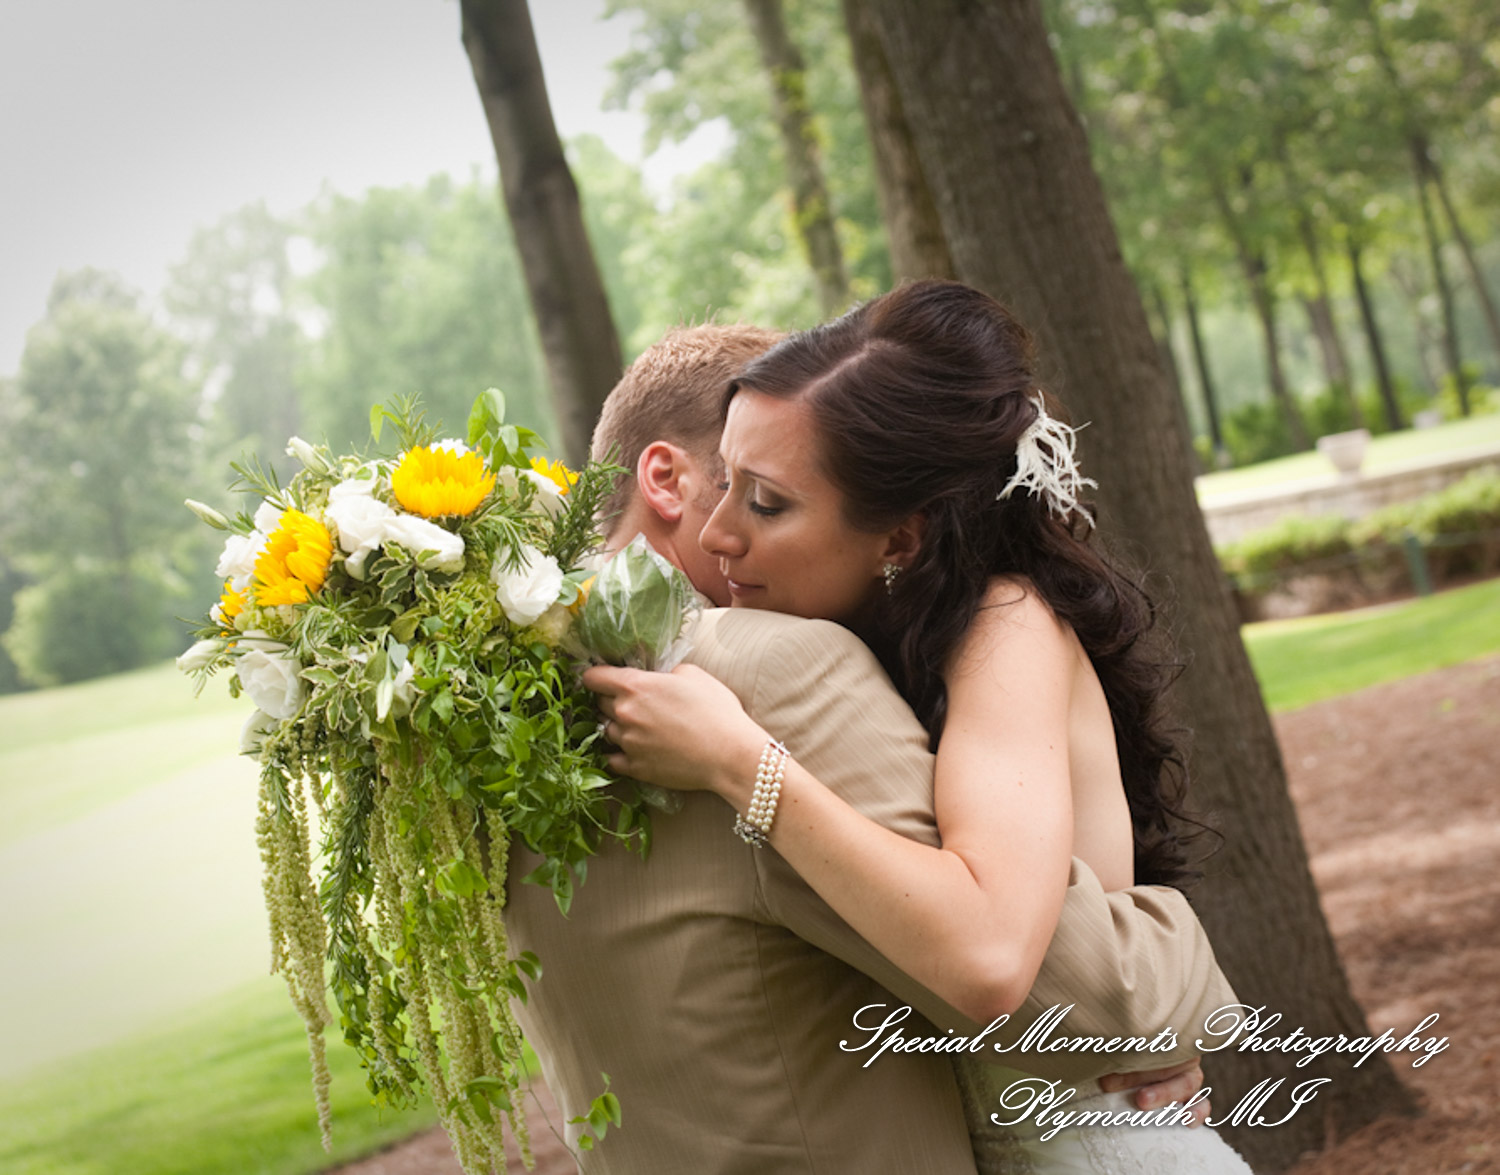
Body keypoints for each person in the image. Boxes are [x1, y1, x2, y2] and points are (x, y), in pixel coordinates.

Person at [504, 321, 1238, 1174]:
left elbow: (1001, 961)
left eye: (764, 501)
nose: (717, 534)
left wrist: (742, 763)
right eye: (728, 484)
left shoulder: (998, 626)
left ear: (899, 538)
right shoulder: (806, 654)